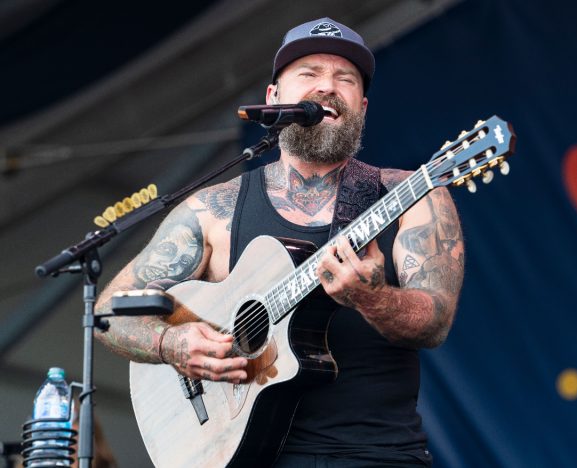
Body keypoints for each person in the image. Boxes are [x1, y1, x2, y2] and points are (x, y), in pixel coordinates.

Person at [95, 17, 464, 467]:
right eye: (309, 74)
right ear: (274, 98)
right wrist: (171, 345)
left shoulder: (413, 194)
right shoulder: (214, 210)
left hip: (378, 453)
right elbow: (110, 311)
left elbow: (435, 321)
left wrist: (374, 299)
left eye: (344, 78)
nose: (327, 86)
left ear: (362, 106)